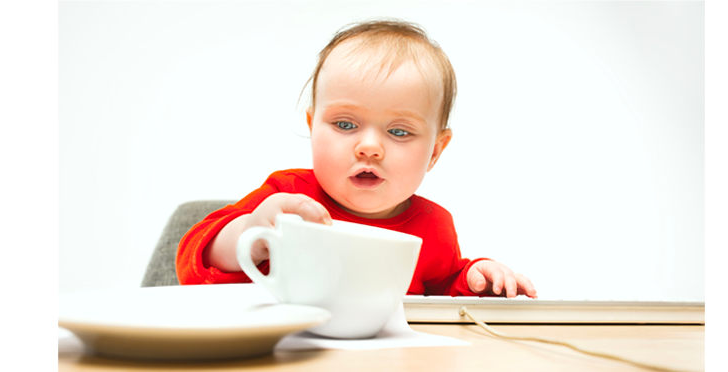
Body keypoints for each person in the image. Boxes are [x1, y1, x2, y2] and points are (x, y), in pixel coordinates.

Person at [176, 20, 537, 298]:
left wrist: (476, 278)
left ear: (435, 153)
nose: (369, 147)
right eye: (345, 124)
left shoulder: (435, 227)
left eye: (398, 132)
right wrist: (252, 232)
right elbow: (192, 265)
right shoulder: (287, 198)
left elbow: (442, 293)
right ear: (312, 125)